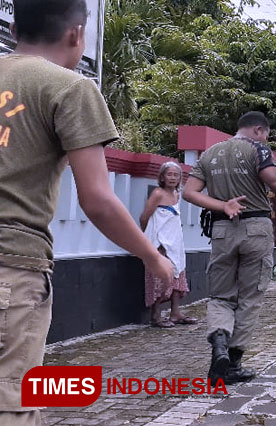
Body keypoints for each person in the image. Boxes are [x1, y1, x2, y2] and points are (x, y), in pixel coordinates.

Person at [0, 1, 174, 423]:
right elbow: (96, 200)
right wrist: (153, 258)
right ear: (77, 34)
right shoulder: (70, 88)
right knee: (11, 402)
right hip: (12, 266)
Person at [183, 111, 276, 385]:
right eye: (266, 134)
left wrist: (222, 205)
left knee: (220, 295)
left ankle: (219, 339)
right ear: (259, 130)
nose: (266, 138)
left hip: (222, 230)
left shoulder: (209, 153)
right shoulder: (257, 148)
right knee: (249, 296)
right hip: (256, 228)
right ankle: (232, 364)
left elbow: (189, 192)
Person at [140, 162, 198, 328]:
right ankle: (156, 316)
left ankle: (175, 312)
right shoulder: (157, 194)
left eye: (176, 175)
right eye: (169, 174)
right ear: (162, 177)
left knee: (177, 275)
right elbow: (145, 217)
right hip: (160, 243)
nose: (173, 178)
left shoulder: (176, 195)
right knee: (160, 278)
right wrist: (149, 240)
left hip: (175, 242)